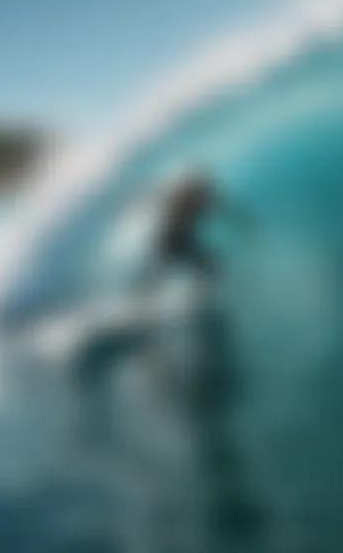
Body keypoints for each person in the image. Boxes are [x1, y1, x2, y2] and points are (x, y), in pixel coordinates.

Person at [69, 167, 266, 548]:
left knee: (200, 266)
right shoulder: (179, 195)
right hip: (169, 237)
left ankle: (151, 302)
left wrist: (246, 223)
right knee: (176, 267)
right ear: (196, 187)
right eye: (205, 188)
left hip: (178, 238)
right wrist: (126, 206)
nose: (208, 194)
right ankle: (142, 307)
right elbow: (150, 198)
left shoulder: (206, 198)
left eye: (208, 190)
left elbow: (228, 210)